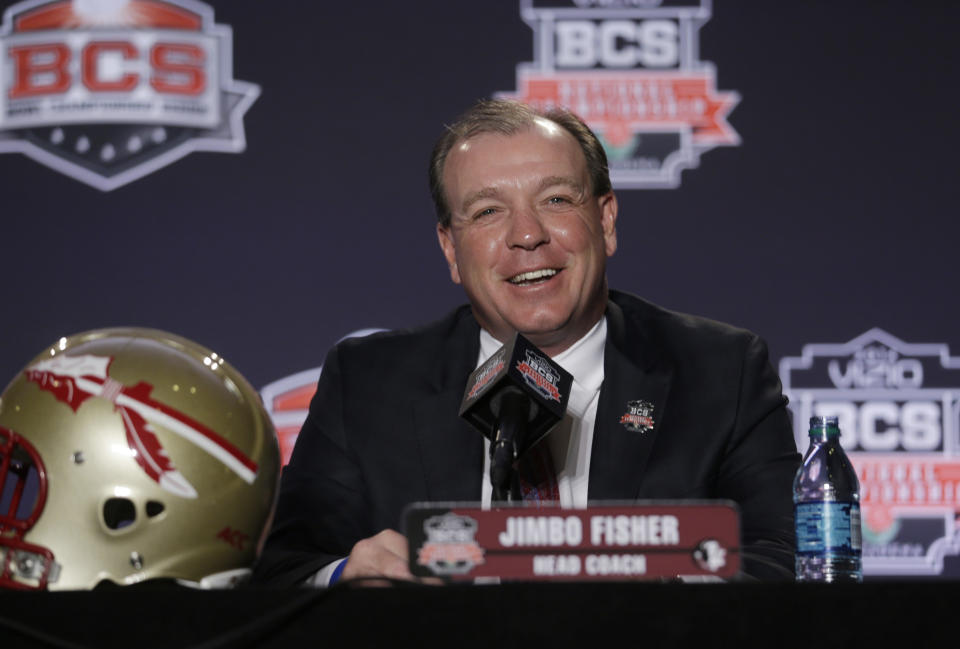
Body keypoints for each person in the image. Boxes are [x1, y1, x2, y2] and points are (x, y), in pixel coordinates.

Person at [252, 99, 800, 586]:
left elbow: (786, 558)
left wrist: (661, 585)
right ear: (449, 248)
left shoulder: (721, 371)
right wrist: (349, 577)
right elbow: (284, 570)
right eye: (488, 211)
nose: (527, 235)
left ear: (605, 221)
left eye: (557, 200)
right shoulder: (368, 382)